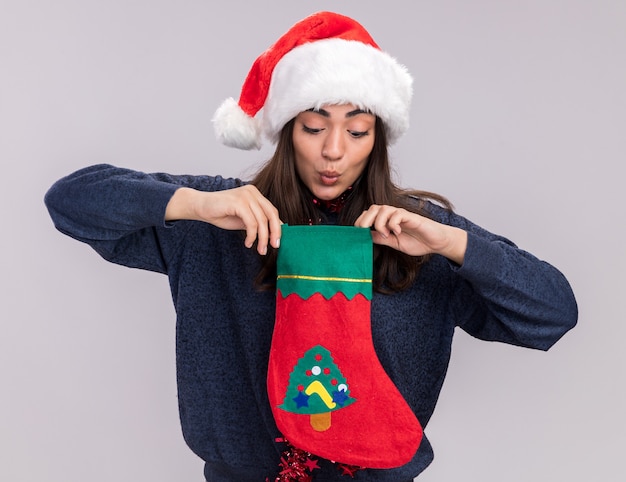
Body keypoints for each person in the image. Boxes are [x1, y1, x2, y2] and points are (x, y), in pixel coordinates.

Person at [44, 11, 578, 482]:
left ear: (379, 138)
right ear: (286, 130)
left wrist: (454, 244)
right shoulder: (222, 213)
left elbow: (554, 312)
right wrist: (192, 205)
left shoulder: (417, 234)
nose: (333, 152)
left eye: (358, 130)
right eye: (314, 127)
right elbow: (70, 200)